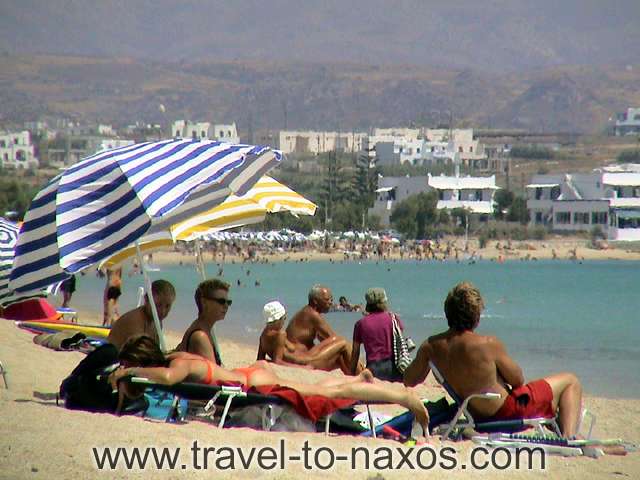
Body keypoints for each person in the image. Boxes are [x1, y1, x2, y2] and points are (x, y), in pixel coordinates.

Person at [108, 335, 429, 431]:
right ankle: (369, 382)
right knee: (327, 389)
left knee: (334, 392)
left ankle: (402, 396)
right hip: (252, 375)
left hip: (254, 386)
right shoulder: (175, 354)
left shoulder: (174, 366)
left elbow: (165, 378)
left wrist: (126, 374)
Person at [403, 282, 583, 437]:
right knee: (570, 381)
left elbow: (410, 380)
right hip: (506, 413)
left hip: (477, 416)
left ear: (447, 312)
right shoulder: (487, 344)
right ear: (476, 316)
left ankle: (565, 427)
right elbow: (518, 380)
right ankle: (568, 437)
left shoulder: (430, 346)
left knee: (549, 393)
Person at [257, 301, 355, 374]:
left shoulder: (263, 336)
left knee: (338, 350)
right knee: (343, 343)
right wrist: (303, 368)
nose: (284, 321)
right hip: (307, 361)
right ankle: (361, 379)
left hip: (306, 357)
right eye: (284, 318)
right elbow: (277, 361)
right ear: (277, 319)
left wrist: (268, 362)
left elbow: (260, 359)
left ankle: (355, 377)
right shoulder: (280, 335)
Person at [285, 285, 354, 370]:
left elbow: (324, 339)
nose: (331, 303)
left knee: (338, 352)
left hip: (297, 356)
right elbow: (333, 338)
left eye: (331, 299)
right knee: (342, 342)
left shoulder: (306, 312)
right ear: (315, 301)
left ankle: (353, 373)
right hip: (301, 359)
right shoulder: (313, 315)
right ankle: (357, 373)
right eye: (327, 300)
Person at [350, 288, 406, 382]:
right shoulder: (393, 318)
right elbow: (399, 341)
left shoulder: (360, 324)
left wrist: (351, 373)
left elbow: (355, 352)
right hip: (393, 367)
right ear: (382, 302)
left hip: (373, 368)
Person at [106, 279, 176, 351]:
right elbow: (140, 355)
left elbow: (155, 350)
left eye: (167, 306)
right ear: (146, 299)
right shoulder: (135, 321)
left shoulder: (156, 321)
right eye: (158, 305)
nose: (163, 311)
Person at [176, 279, 230, 365]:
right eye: (221, 301)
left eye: (228, 302)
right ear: (204, 302)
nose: (226, 306)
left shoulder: (204, 328)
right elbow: (214, 375)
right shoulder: (200, 336)